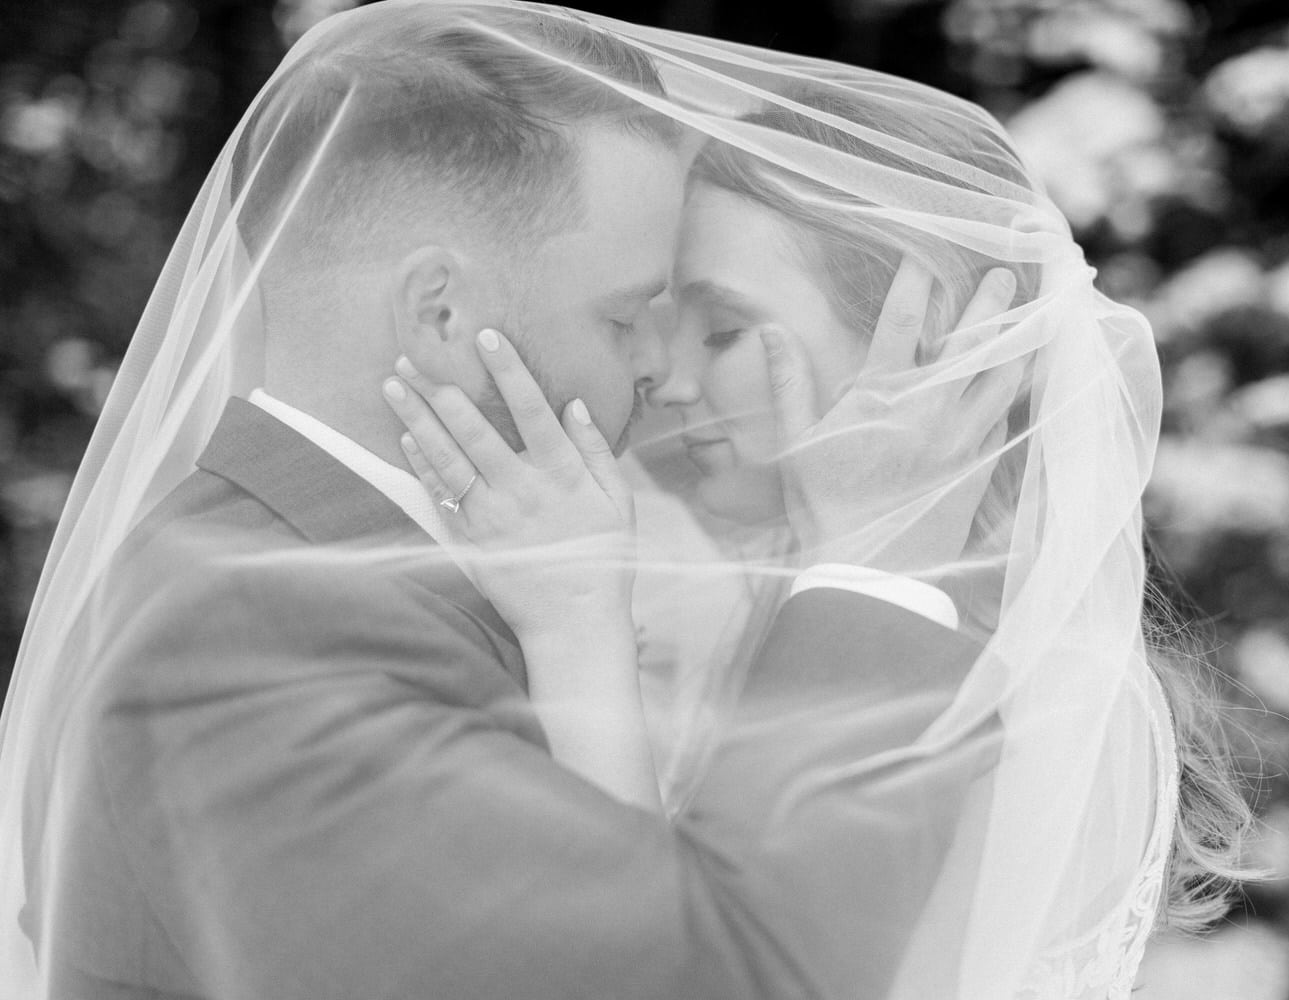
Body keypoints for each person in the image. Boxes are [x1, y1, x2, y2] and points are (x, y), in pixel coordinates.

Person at [0, 5, 1002, 999]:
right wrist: (876, 570)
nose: (659, 369)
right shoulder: (246, 642)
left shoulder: (343, 577)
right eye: (625, 315)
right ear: (441, 314)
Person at [394, 55, 1257, 1000]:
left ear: (922, 337)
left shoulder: (1001, 688)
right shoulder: (827, 615)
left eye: (723, 332)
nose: (670, 383)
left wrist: (574, 626)